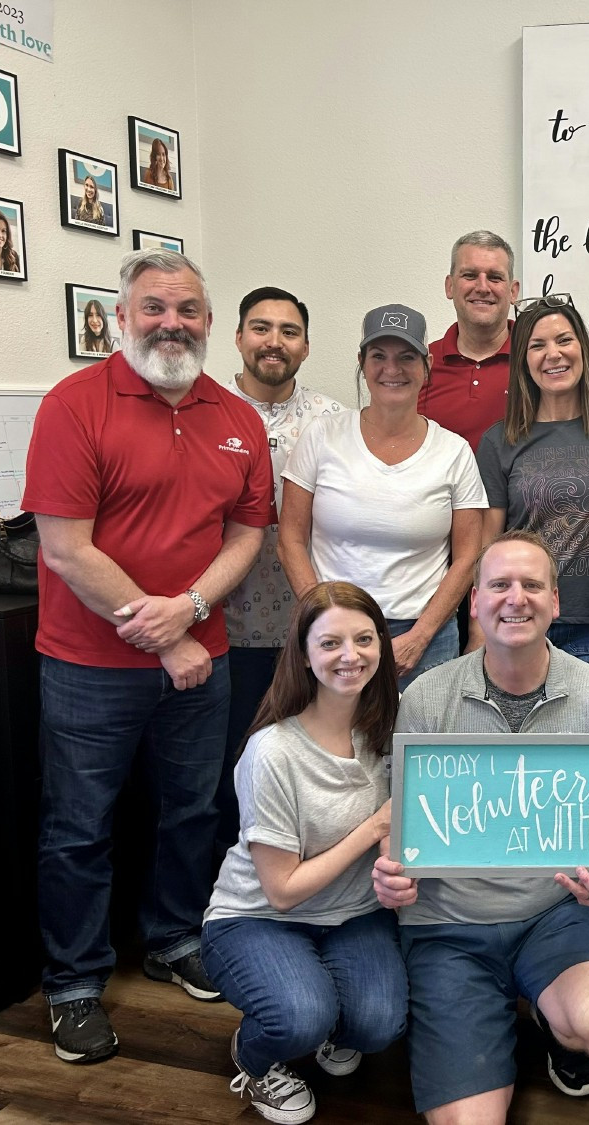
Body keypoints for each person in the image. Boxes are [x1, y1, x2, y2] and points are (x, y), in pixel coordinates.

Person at [23, 248, 276, 1064]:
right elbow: (64, 549)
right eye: (156, 308)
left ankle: (171, 937)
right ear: (121, 316)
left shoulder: (236, 417)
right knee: (78, 827)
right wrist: (171, 636)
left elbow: (246, 533)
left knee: (193, 810)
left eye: (189, 310)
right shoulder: (74, 405)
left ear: (209, 321)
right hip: (90, 667)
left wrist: (196, 610)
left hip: (204, 659)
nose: (173, 323)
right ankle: (73, 983)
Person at [371, 531, 589, 1125]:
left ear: (555, 601)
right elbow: (401, 818)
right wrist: (392, 873)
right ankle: (496, 1014)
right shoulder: (426, 698)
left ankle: (550, 1016)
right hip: (448, 922)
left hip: (555, 911)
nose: (515, 598)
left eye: (531, 585)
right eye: (499, 585)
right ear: (474, 602)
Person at [201, 581, 407, 1125]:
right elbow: (283, 890)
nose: (350, 656)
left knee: (381, 1024)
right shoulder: (272, 751)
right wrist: (372, 830)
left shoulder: (394, 724)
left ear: (382, 647)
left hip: (353, 914)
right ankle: (255, 1055)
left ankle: (325, 1014)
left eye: (364, 639)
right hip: (258, 918)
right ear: (304, 654)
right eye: (331, 643)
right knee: (299, 1017)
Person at [279, 303, 485, 689]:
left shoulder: (454, 451)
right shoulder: (322, 437)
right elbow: (289, 540)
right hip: (332, 627)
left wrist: (421, 635)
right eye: (379, 356)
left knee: (416, 747)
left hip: (425, 638)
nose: (392, 369)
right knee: (335, 746)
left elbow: (469, 556)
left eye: (406, 357)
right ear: (362, 362)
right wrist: (322, 618)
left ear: (426, 366)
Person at [220, 287, 343, 850]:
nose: (274, 342)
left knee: (308, 767)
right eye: (261, 328)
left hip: (307, 628)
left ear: (307, 346)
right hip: (221, 627)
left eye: (289, 331)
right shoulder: (204, 412)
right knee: (231, 769)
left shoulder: (334, 422)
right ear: (239, 336)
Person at [475, 294, 589, 668]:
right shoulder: (499, 441)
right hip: (514, 620)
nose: (553, 354)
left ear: (582, 349)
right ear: (523, 361)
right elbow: (485, 547)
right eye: (537, 345)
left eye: (564, 340)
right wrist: (477, 627)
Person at [423, 230, 520, 452]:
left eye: (495, 277)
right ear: (450, 286)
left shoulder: (537, 360)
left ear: (513, 292)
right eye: (469, 275)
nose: (483, 287)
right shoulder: (419, 364)